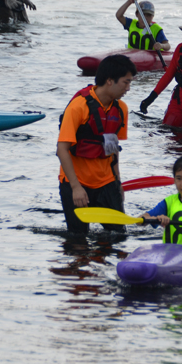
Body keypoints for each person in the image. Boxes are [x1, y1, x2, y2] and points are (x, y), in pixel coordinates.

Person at [57, 55, 137, 234]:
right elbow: (62, 150)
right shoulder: (78, 107)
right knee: (78, 242)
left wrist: (118, 183)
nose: (128, 88)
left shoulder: (121, 109)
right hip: (77, 183)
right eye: (125, 82)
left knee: (118, 238)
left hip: (106, 182)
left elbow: (113, 149)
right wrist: (76, 188)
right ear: (109, 81)